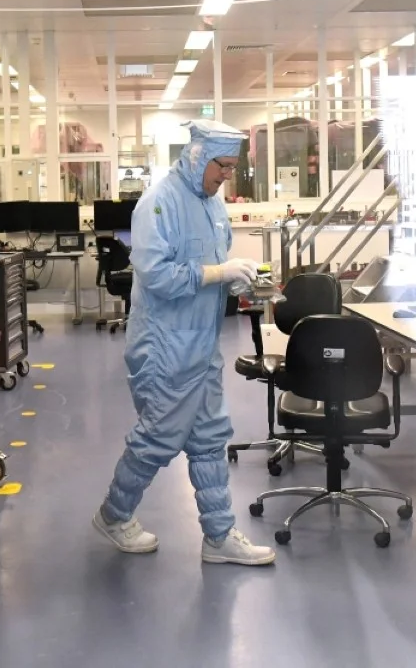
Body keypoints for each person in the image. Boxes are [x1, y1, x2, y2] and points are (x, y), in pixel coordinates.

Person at [93, 120, 275, 566]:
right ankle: (114, 516)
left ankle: (219, 536)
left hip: (201, 342)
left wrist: (241, 281)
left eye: (233, 167)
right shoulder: (160, 202)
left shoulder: (212, 205)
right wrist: (218, 273)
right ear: (198, 157)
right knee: (157, 437)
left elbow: (214, 264)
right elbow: (157, 277)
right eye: (222, 166)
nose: (226, 176)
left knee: (211, 438)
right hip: (164, 347)